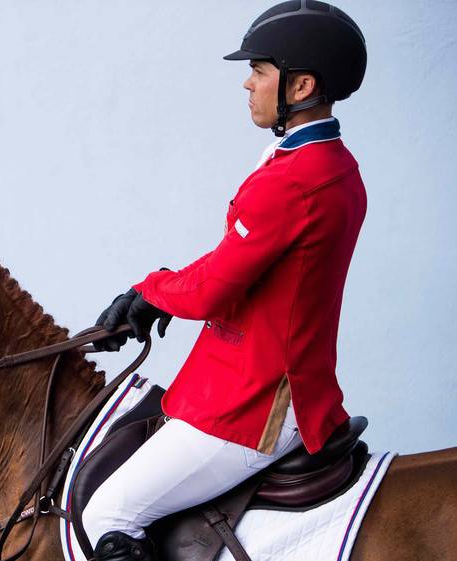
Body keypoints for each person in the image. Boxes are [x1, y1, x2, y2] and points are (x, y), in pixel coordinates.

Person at [82, 2, 368, 560]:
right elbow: (232, 263)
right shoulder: (329, 164)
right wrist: (159, 291)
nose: (248, 83)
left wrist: (150, 290)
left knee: (106, 514)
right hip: (263, 379)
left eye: (260, 71)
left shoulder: (292, 182)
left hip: (255, 402)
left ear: (301, 84)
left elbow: (215, 287)